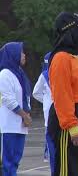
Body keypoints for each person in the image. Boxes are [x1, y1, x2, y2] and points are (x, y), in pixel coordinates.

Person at [48, 12, 78, 176]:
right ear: (72, 32)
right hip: (70, 125)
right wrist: (72, 127)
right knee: (68, 169)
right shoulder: (61, 58)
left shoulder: (74, 57)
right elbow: (62, 95)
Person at [0, 42, 32, 176]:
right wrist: (24, 115)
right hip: (9, 125)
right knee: (7, 162)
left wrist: (26, 115)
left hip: (20, 125)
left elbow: (25, 97)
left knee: (15, 161)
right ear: (13, 54)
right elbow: (8, 99)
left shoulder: (19, 73)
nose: (24, 55)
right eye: (21, 52)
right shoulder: (5, 74)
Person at [32, 52, 56, 174]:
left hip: (58, 113)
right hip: (50, 113)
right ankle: (48, 156)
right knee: (51, 139)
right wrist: (46, 101)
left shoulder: (59, 73)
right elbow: (36, 92)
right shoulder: (44, 75)